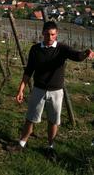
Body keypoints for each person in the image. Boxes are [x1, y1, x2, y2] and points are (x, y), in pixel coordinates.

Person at [7, 21, 94, 160]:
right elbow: (29, 71)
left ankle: (50, 147)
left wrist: (85, 53)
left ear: (56, 34)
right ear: (42, 33)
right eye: (47, 34)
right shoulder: (35, 49)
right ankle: (21, 143)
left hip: (56, 92)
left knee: (53, 121)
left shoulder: (62, 49)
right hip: (38, 89)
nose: (50, 37)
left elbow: (76, 56)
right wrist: (21, 89)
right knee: (30, 119)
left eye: (53, 34)